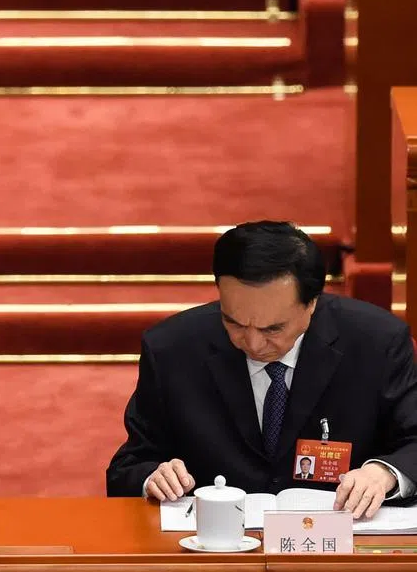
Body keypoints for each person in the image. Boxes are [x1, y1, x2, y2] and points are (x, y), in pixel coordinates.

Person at [107, 221, 417, 519]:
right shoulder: (172, 349)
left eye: (273, 328)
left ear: (312, 303)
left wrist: (384, 473)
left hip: (334, 546)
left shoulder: (376, 342)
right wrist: (153, 478)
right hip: (214, 550)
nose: (253, 343)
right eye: (234, 322)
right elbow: (129, 465)